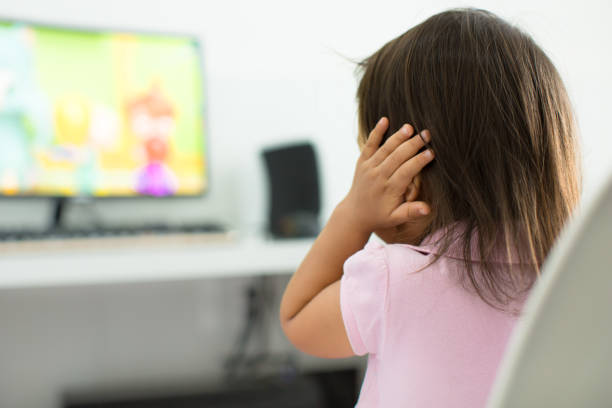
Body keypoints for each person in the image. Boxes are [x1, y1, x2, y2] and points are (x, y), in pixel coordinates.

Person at [279, 7, 581, 407]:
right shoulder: (572, 284)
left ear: (410, 181)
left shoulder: (394, 280)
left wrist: (354, 213)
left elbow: (297, 319)